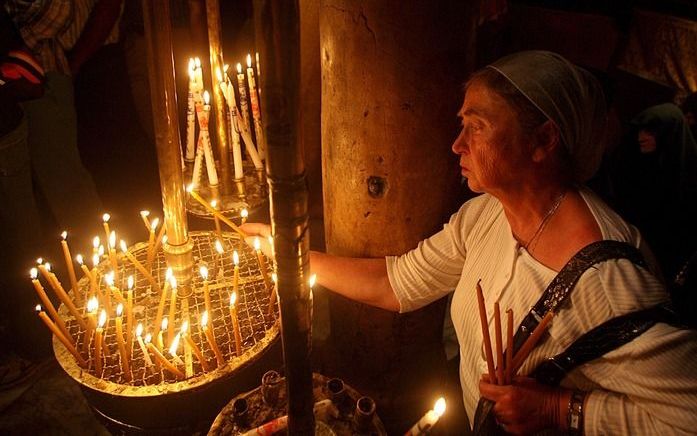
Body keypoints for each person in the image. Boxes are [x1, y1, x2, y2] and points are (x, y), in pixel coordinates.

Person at [242, 51, 697, 435]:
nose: (457, 144)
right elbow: (395, 282)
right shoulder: (486, 215)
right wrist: (290, 256)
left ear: (543, 140)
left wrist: (560, 409)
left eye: (475, 127)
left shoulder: (605, 279)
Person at [612, 103, 697, 282]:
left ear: (669, 133)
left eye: (651, 131)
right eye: (641, 130)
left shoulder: (689, 177)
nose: (641, 137)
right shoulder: (635, 167)